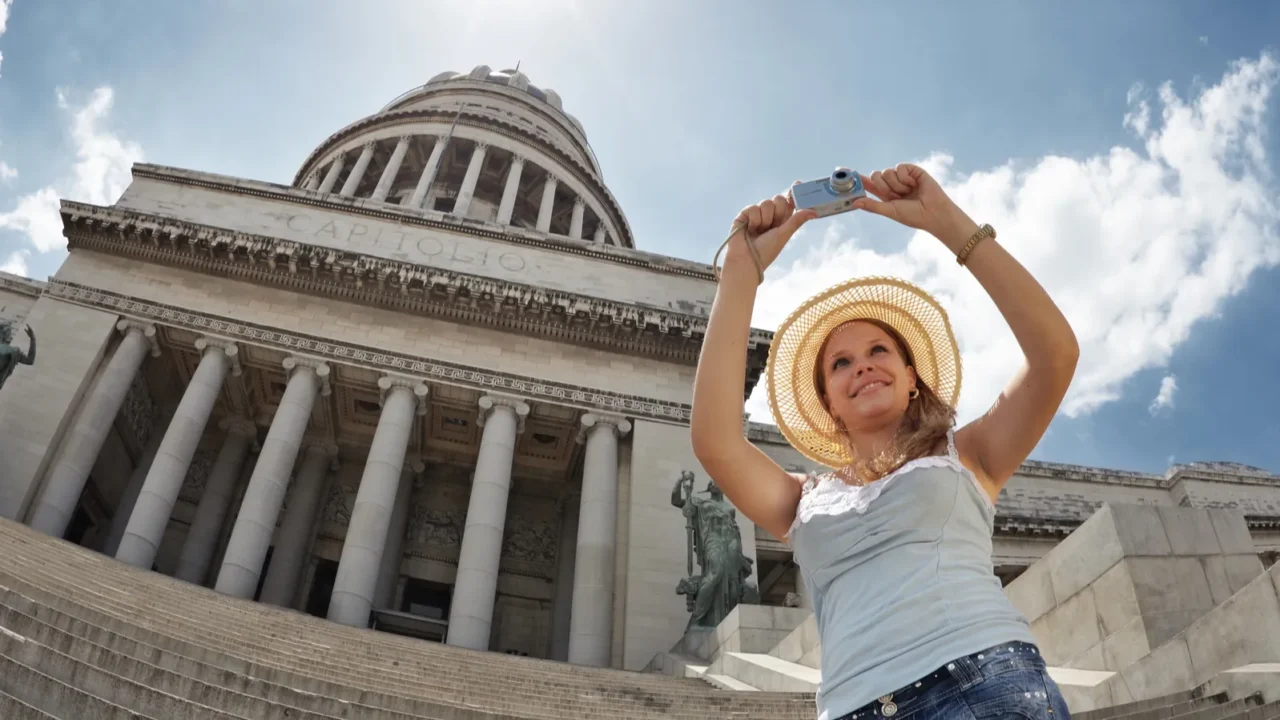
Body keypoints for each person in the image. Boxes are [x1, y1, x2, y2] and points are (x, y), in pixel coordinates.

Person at [691, 163, 1079, 720]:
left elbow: (1055, 355)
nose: (863, 367)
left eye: (879, 351)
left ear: (911, 374)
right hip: (855, 707)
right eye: (841, 363)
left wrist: (946, 222)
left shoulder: (967, 454)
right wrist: (740, 275)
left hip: (983, 680)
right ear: (829, 401)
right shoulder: (803, 499)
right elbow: (714, 441)